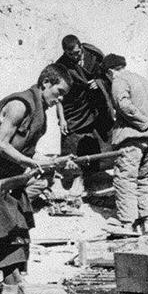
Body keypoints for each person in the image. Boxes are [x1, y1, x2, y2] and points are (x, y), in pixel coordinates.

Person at [0, 64, 71, 294]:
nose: (59, 100)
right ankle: (10, 277)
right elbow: (0, 144)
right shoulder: (20, 105)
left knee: (18, 220)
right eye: (58, 92)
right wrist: (31, 164)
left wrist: (53, 162)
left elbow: (26, 151)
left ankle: (13, 276)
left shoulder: (40, 112)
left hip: (9, 170)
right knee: (0, 221)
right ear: (45, 83)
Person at [105, 53, 148, 234]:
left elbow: (123, 105)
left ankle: (127, 223)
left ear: (110, 71)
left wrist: (144, 122)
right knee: (146, 178)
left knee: (125, 179)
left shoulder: (119, 80)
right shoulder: (142, 80)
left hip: (131, 138)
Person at [55, 36, 113, 190]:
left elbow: (108, 76)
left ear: (81, 47)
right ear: (65, 52)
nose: (75, 57)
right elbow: (59, 96)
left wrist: (99, 83)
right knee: (71, 137)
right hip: (76, 107)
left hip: (97, 103)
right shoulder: (62, 65)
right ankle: (72, 177)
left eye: (77, 53)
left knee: (102, 135)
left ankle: (98, 173)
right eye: (71, 54)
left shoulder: (94, 56)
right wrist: (62, 119)